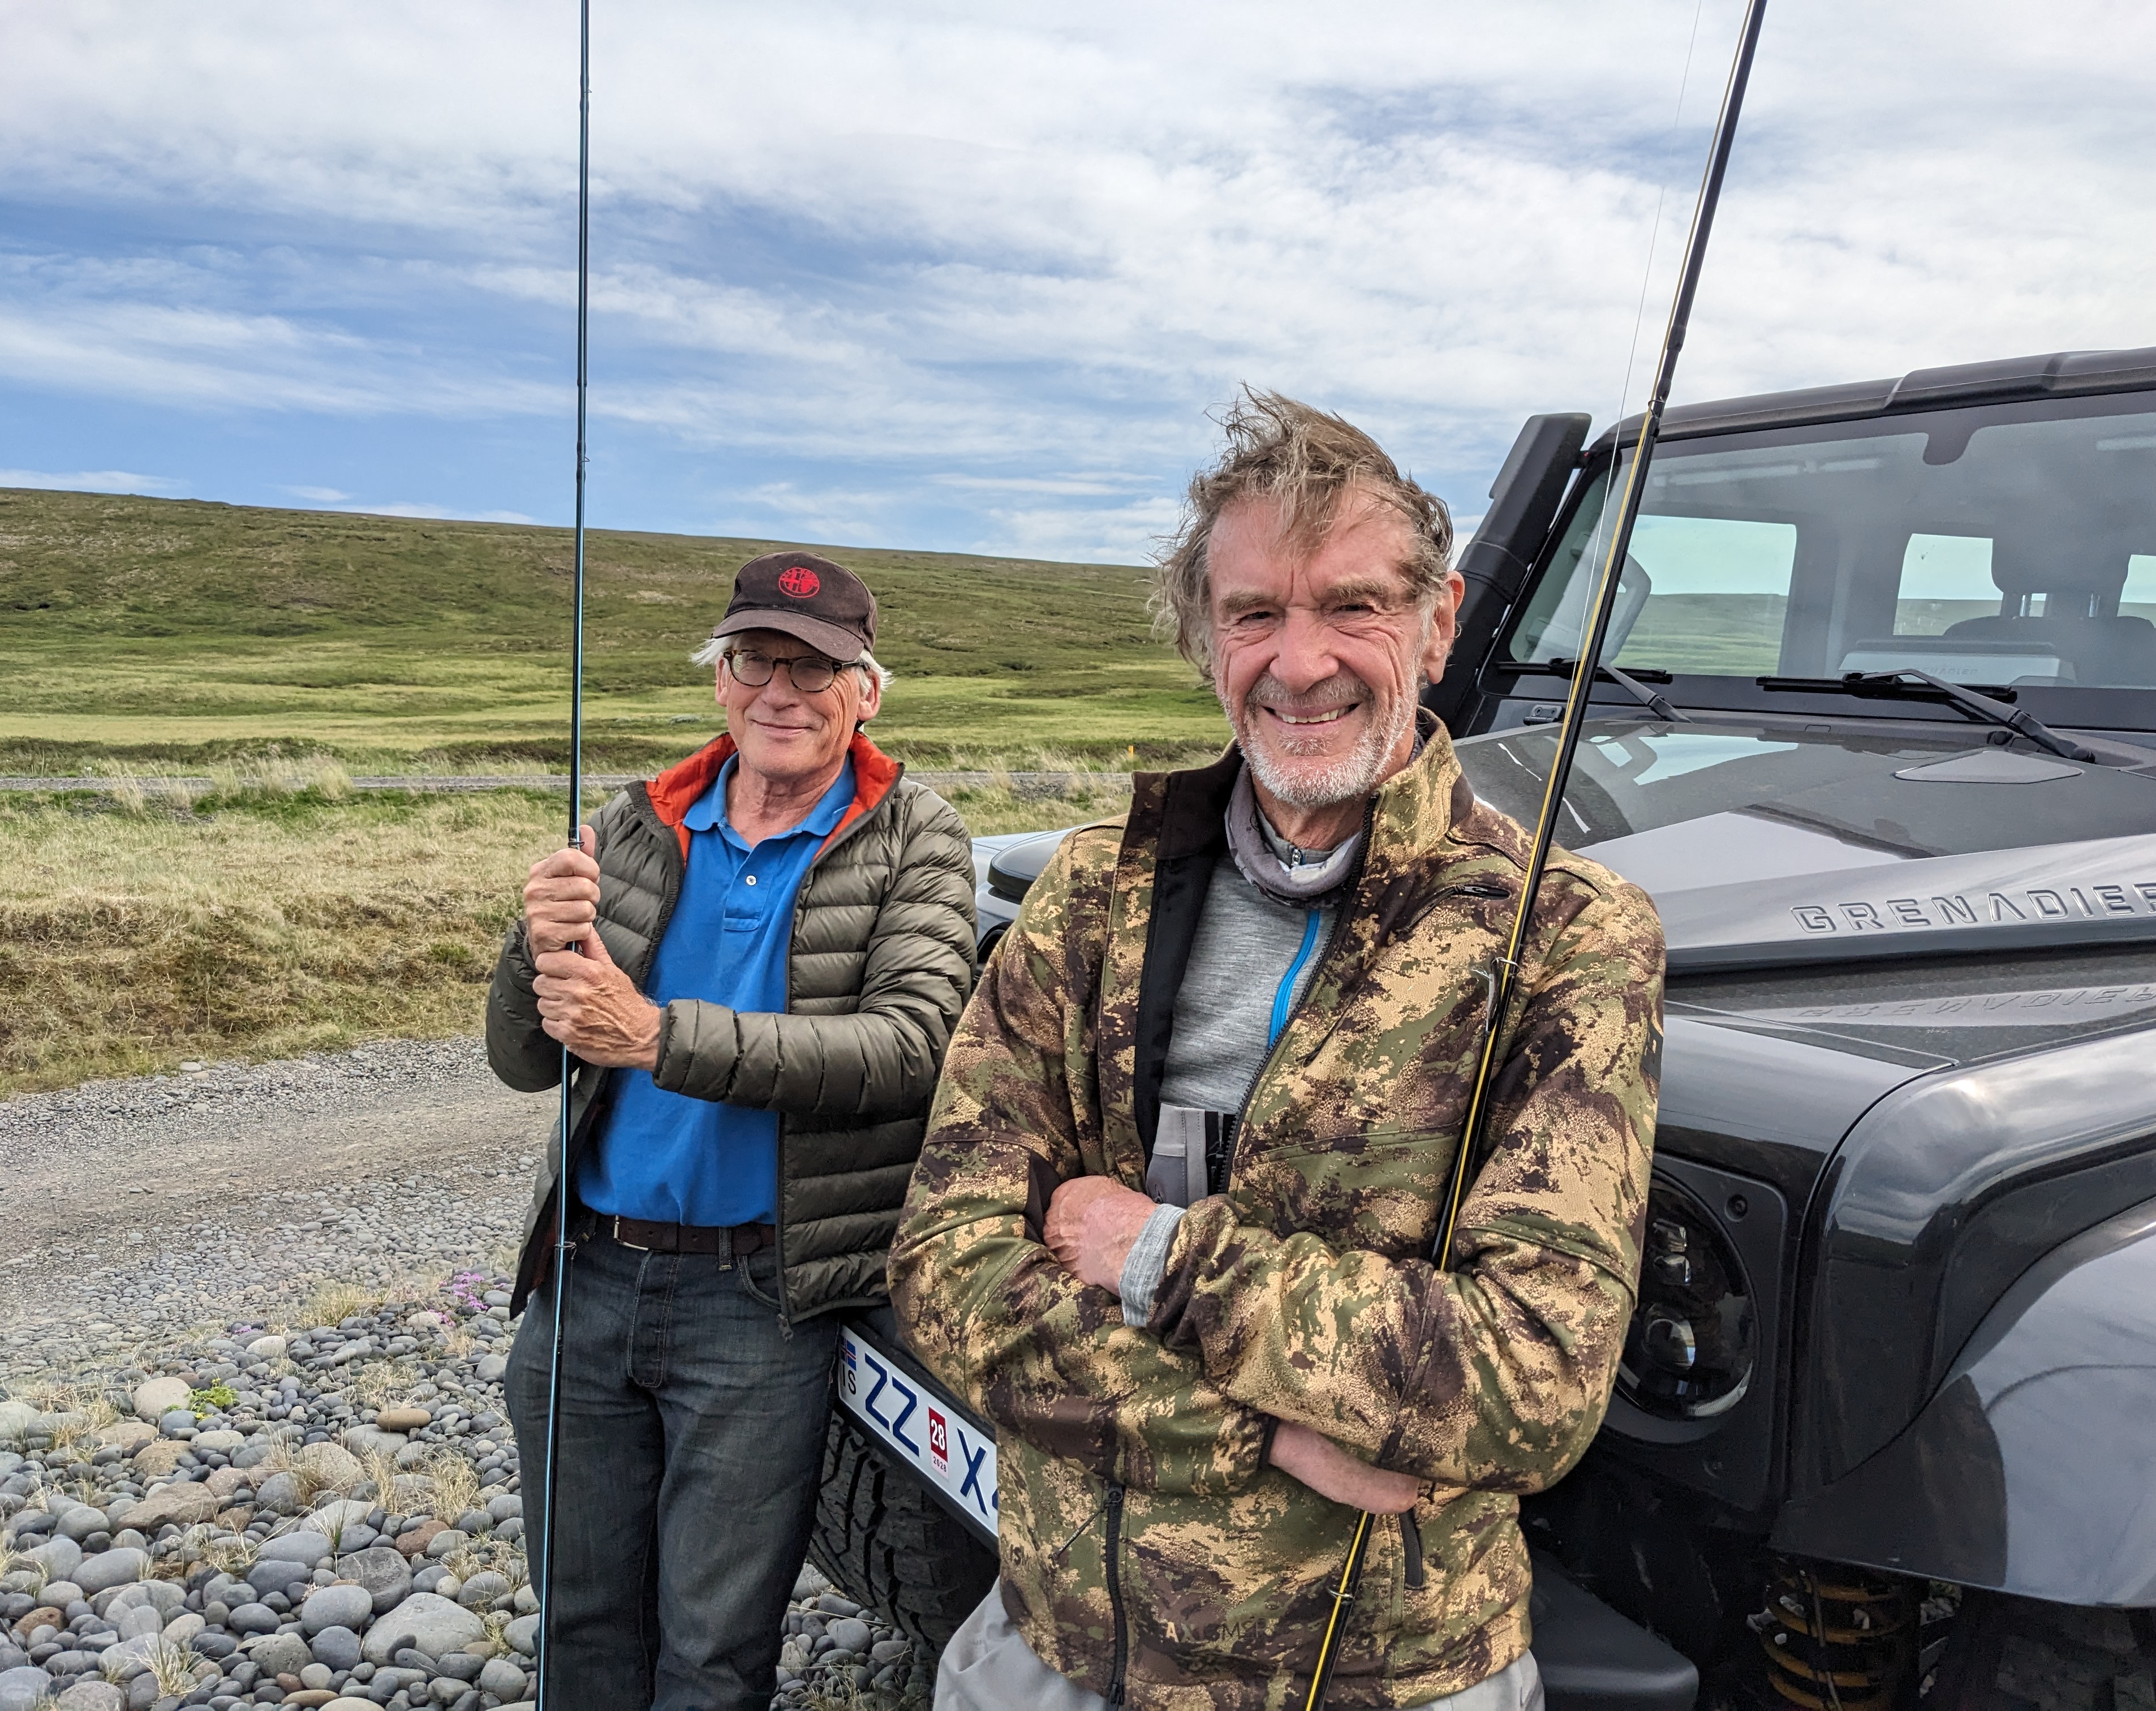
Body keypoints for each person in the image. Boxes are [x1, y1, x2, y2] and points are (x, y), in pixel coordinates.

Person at [889, 393, 1666, 1709]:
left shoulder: (1571, 939)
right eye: (1256, 614)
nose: (1301, 663)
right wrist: (1268, 1431)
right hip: (1058, 1641)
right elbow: (945, 1273)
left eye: (1351, 605)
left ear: (1440, 619)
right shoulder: (1091, 897)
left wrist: (1152, 1253)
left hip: (1387, 1677)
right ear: (1208, 640)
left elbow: (1528, 1381)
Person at [487, 552, 976, 1709]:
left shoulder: (918, 837)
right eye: (759, 658)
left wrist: (659, 1037)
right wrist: (532, 942)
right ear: (722, 676)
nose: (783, 691)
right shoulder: (634, 822)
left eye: (818, 667)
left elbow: (912, 1053)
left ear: (867, 690)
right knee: (581, 1628)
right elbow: (522, 1059)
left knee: (713, 1656)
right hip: (587, 1277)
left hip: (762, 1301)